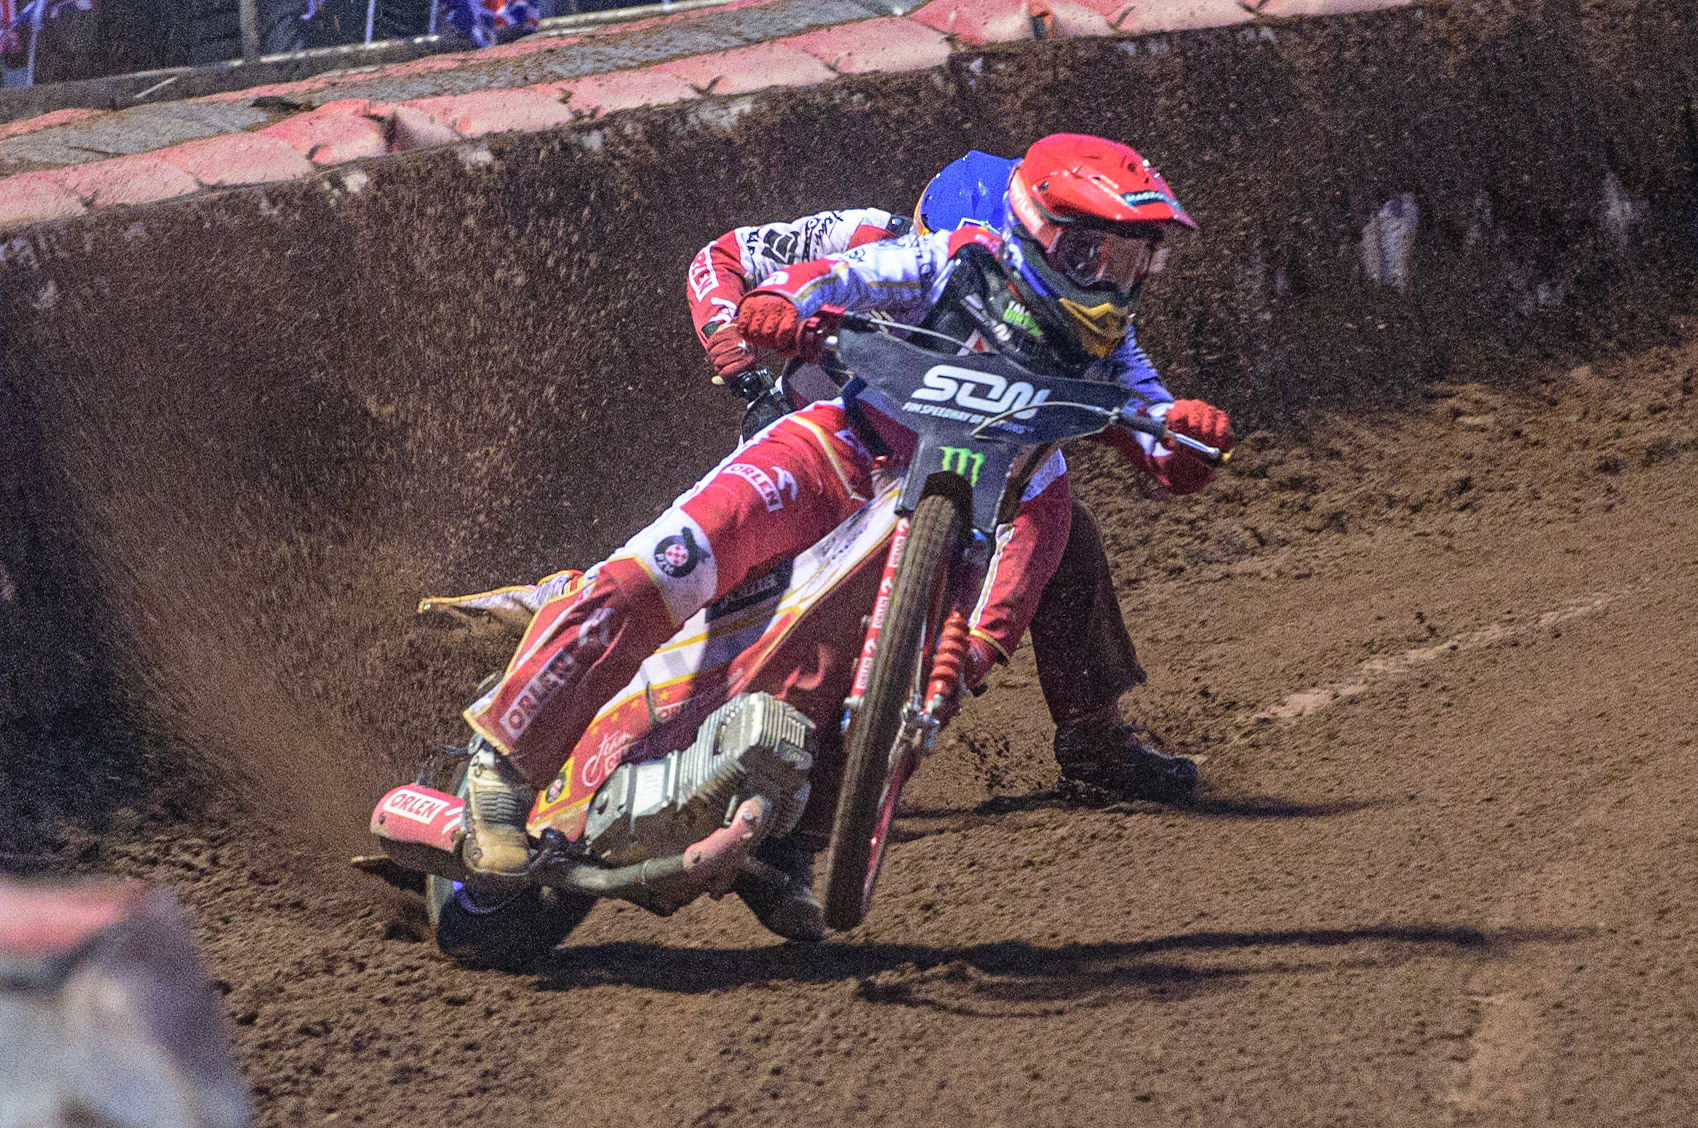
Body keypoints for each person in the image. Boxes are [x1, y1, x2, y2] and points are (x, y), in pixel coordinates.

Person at [458, 134, 1234, 941]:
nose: (1115, 283)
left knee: (865, 680)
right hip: (833, 445)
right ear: (1034, 232)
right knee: (667, 567)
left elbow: (1151, 442)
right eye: (1098, 256)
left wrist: (1186, 439)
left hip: (948, 507)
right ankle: (500, 772)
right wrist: (767, 325)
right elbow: (832, 275)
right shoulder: (942, 254)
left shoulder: (1110, 353)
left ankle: (794, 844)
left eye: (1135, 265)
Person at [684, 147, 1207, 810]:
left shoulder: (1064, 337)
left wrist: (974, 651)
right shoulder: (874, 245)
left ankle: (1094, 736)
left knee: (1067, 529)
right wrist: (741, 364)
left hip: (945, 481)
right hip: (819, 458)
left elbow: (1065, 481)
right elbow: (720, 258)